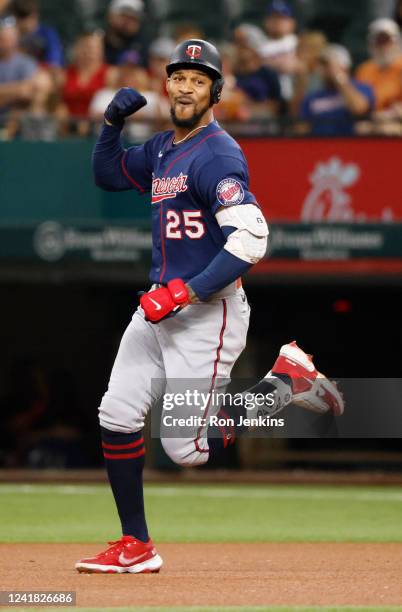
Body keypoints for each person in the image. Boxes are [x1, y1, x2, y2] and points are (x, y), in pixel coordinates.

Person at [75, 39, 343, 574]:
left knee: (187, 451)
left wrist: (183, 292)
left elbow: (250, 241)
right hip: (157, 309)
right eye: (179, 77)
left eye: (199, 79)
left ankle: (287, 383)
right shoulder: (160, 149)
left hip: (206, 310)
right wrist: (109, 125)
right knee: (117, 415)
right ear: (166, 84)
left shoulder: (218, 153)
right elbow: (107, 175)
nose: (187, 86)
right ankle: (136, 545)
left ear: (215, 90)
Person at [299, 44, 375, 136]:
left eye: (327, 64)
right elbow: (302, 129)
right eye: (321, 65)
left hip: (350, 144)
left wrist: (339, 77)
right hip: (320, 146)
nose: (322, 69)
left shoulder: (361, 87)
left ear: (343, 66)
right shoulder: (312, 96)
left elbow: (359, 108)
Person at [58, 30, 117, 122]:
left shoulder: (111, 74)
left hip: (98, 126)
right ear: (76, 49)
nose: (90, 51)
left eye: (95, 48)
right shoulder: (64, 75)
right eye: (86, 47)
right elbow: (57, 103)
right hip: (68, 125)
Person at [355, 18, 402, 112]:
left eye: (387, 40)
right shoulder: (364, 70)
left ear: (397, 43)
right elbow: (359, 104)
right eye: (378, 41)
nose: (383, 46)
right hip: (370, 120)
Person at [260, 0, 298, 100]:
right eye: (273, 17)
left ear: (292, 22)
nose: (277, 21)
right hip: (269, 99)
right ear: (266, 21)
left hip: (295, 95)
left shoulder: (300, 43)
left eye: (282, 18)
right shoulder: (258, 46)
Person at [10, 0, 63, 68]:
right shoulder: (12, 36)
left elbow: (54, 63)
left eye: (31, 17)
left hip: (42, 73)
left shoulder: (47, 34)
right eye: (22, 18)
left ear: (36, 15)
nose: (27, 23)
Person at [104, 0, 148, 66]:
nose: (128, 21)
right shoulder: (97, 42)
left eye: (133, 17)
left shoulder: (144, 45)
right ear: (110, 16)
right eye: (123, 15)